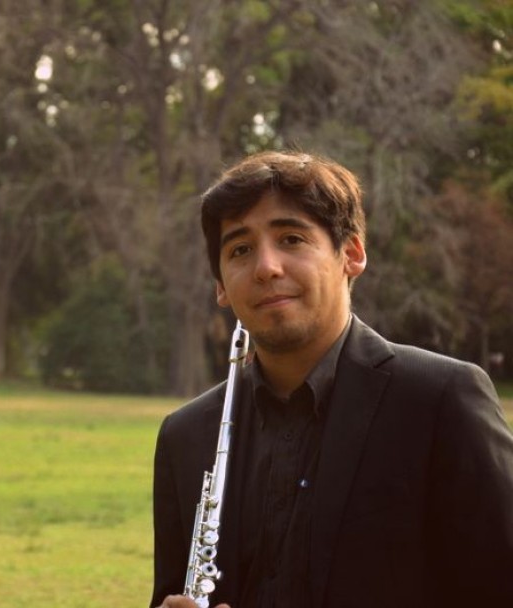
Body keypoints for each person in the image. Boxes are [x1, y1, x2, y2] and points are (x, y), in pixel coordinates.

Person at [151, 150, 513, 608]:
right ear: (221, 286)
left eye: (292, 239)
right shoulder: (185, 435)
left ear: (353, 254)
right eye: (240, 250)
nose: (266, 267)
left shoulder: (441, 401)